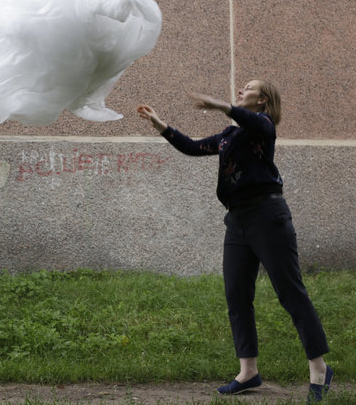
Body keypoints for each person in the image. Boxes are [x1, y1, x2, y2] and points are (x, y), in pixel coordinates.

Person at [136, 80, 333, 403]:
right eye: (241, 86)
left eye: (249, 87)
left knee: (291, 293)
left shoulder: (263, 126)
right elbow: (192, 147)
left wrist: (219, 105)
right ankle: (248, 371)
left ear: (264, 100)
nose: (242, 89)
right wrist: (160, 124)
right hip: (238, 221)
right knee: (237, 295)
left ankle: (319, 370)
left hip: (268, 217)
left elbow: (251, 121)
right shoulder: (230, 136)